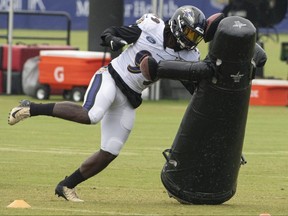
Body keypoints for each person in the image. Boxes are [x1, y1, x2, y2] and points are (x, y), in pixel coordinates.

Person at [8, 5, 208, 202]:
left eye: (195, 36)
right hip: (111, 78)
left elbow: (195, 89)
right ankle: (30, 108)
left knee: (110, 150)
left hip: (130, 98)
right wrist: (113, 40)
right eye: (189, 33)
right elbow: (110, 32)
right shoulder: (151, 26)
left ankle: (66, 185)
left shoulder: (188, 55)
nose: (191, 40)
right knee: (91, 115)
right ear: (177, 25)